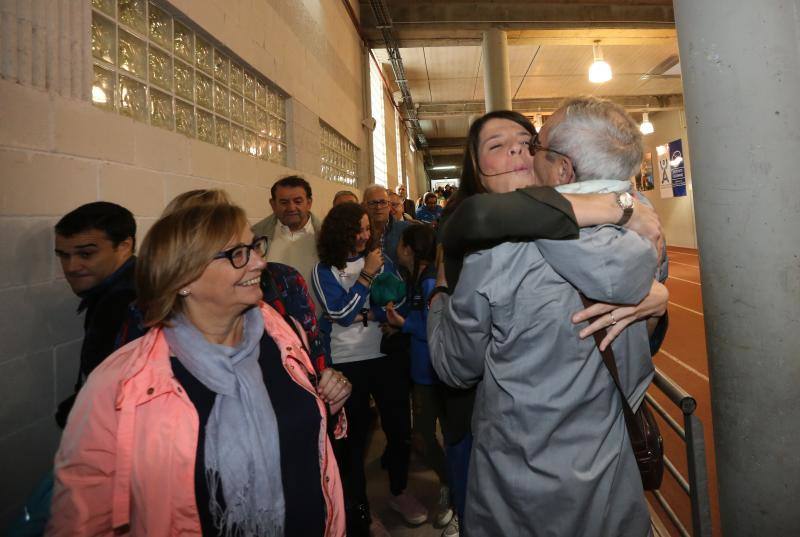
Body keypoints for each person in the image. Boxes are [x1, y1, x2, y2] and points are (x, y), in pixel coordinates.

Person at [428, 99, 666, 536]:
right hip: (609, 476)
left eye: (530, 142)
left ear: (562, 171)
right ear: (476, 171)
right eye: (499, 146)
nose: (521, 152)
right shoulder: (644, 231)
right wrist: (656, 294)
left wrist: (440, 295)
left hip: (517, 480)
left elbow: (453, 367)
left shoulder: (492, 258)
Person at [48, 202, 350, 536]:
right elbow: (82, 519)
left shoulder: (284, 338)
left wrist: (325, 403)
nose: (260, 262)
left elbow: (310, 446)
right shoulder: (121, 384)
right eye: (238, 254)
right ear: (184, 279)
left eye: (254, 246)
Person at [312, 202, 426, 537]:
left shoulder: (381, 259)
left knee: (399, 429)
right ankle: (360, 509)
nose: (364, 235)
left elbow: (399, 301)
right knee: (354, 440)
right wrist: (365, 279)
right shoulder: (324, 269)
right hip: (347, 362)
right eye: (356, 230)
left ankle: (398, 491)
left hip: (385, 356)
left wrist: (371, 311)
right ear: (339, 232)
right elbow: (340, 313)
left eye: (366, 228)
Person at [385, 224, 457, 537]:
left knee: (424, 436)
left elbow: (433, 325)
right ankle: (452, 483)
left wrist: (404, 323)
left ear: (411, 249)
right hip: (423, 370)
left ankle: (452, 484)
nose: (396, 249)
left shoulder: (428, 280)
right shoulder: (416, 278)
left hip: (431, 372)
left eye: (401, 244)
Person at [53, 201, 137, 428]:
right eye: (63, 255)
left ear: (124, 246)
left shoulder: (125, 303)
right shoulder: (113, 292)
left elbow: (120, 396)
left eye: (86, 254)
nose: (71, 267)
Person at [252, 175, 322, 311]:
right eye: (284, 202)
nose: (291, 208)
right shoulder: (255, 237)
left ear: (309, 203)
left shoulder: (326, 235)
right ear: (273, 204)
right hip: (273, 324)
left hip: (320, 324)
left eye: (298, 201)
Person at [363, 184, 410, 267]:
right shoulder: (358, 233)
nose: (378, 207)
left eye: (383, 202)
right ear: (365, 206)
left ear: (389, 206)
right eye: (373, 203)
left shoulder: (405, 229)